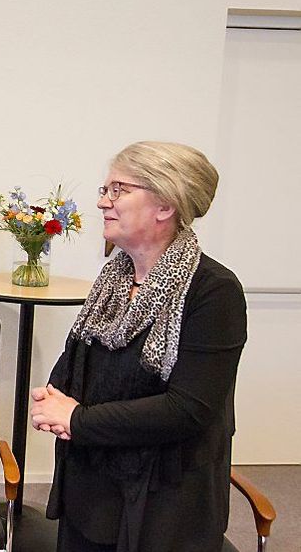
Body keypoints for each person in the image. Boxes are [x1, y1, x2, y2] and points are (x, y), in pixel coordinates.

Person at [30, 141, 247, 552]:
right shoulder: (114, 277)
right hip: (92, 483)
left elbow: (187, 409)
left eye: (118, 190)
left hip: (163, 501)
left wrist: (77, 420)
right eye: (104, 190)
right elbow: (78, 363)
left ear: (165, 205)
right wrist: (52, 400)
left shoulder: (214, 292)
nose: (102, 202)